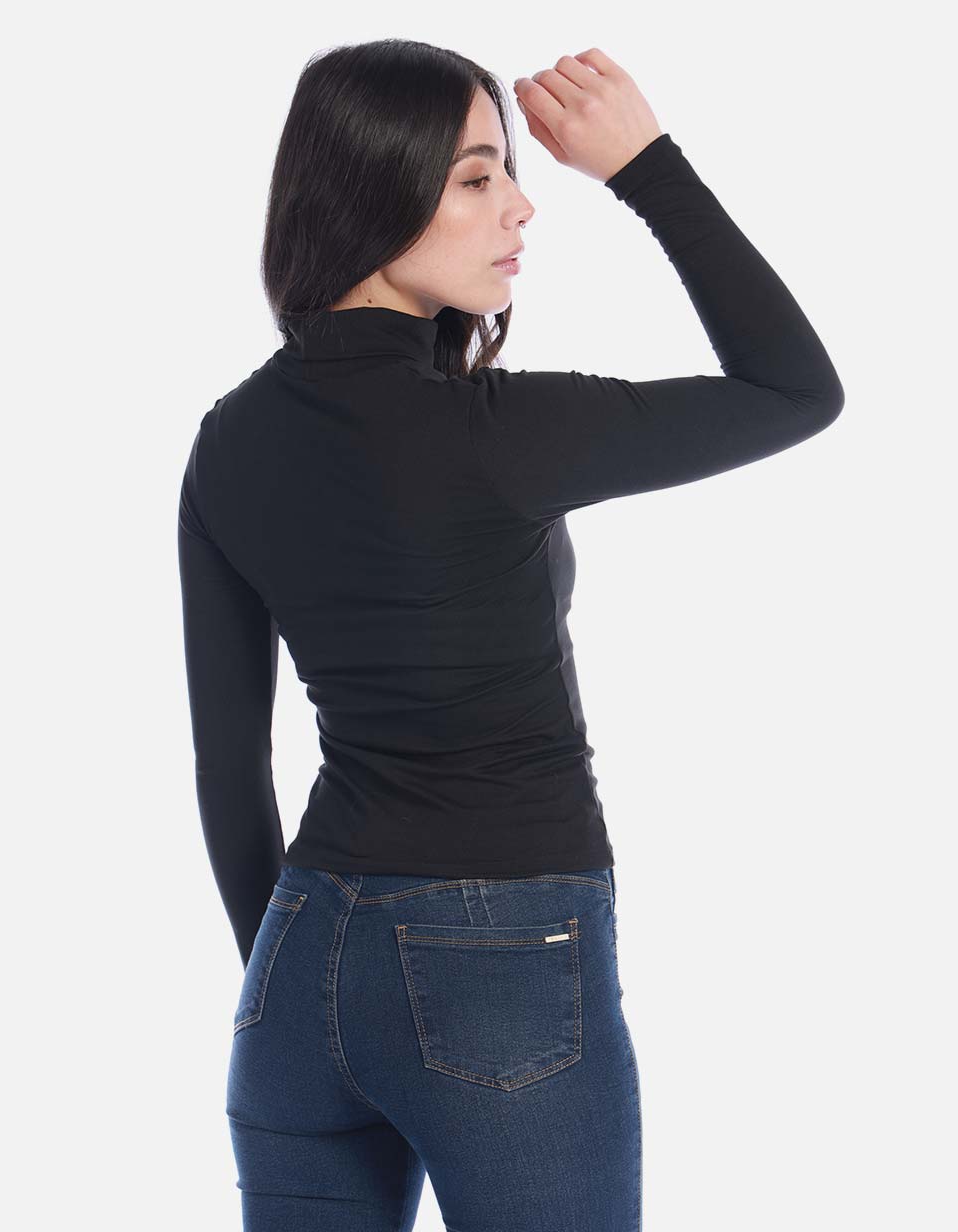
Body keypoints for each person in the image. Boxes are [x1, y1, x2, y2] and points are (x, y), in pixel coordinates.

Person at [177, 37, 843, 1232]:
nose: (522, 207)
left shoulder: (227, 441)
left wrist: (283, 986)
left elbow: (227, 768)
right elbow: (797, 387)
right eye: (478, 177)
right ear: (376, 190)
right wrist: (644, 165)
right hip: (500, 967)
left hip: (295, 965)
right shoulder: (498, 432)